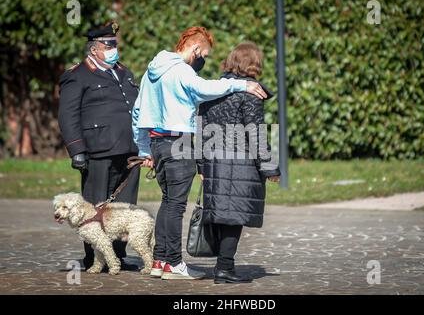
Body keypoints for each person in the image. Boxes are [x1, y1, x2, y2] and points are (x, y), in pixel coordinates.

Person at [133, 26, 267, 280]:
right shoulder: (182, 70)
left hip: (157, 143)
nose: (203, 59)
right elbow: (207, 89)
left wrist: (143, 148)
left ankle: (159, 261)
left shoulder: (152, 70)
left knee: (167, 201)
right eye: (204, 54)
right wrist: (242, 84)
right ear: (195, 49)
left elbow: (138, 112)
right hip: (179, 140)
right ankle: (173, 262)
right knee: (175, 206)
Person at [58, 22, 140, 271]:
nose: (114, 48)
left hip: (129, 150)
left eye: (115, 44)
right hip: (98, 151)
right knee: (94, 208)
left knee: (124, 207)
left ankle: (117, 255)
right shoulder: (78, 75)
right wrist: (77, 150)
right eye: (108, 45)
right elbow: (67, 115)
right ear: (94, 49)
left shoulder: (123, 72)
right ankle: (93, 257)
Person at [197, 42, 281, 284]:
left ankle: (223, 267)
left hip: (214, 162)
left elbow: (200, 128)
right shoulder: (250, 94)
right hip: (240, 164)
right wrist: (269, 168)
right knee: (234, 217)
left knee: (223, 215)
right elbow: (255, 133)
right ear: (253, 64)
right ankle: (224, 268)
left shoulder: (213, 89)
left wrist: (201, 166)